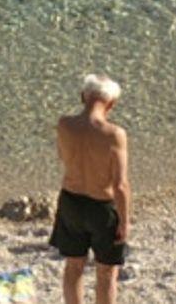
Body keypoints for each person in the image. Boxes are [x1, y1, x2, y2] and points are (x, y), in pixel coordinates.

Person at [49, 73, 129, 304]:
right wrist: (124, 222)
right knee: (106, 272)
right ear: (111, 104)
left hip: (71, 201)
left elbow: (62, 157)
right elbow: (121, 185)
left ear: (83, 96)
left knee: (74, 266)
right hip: (101, 207)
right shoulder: (114, 134)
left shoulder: (64, 125)